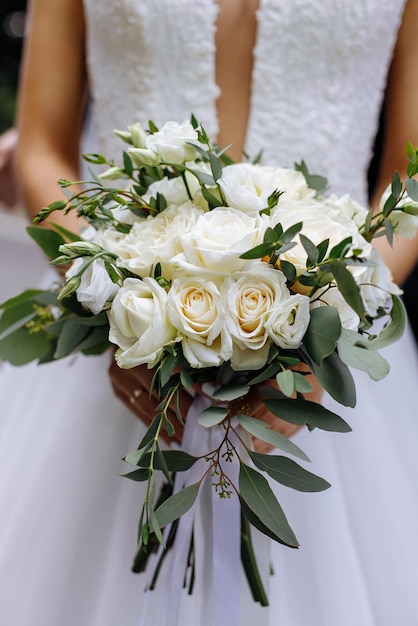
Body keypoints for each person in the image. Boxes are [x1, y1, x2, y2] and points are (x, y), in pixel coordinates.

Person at [1, 0, 418, 624]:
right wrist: (120, 306)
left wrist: (328, 320)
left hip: (328, 361)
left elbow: (409, 184)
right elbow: (41, 149)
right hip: (111, 352)